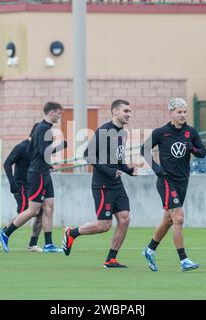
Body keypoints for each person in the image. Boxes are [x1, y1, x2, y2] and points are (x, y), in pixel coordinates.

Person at [62, 99, 138, 268]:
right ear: (115, 112)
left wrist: (128, 170)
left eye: (130, 111)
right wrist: (111, 171)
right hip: (102, 184)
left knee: (124, 219)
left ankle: (111, 259)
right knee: (104, 225)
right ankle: (72, 233)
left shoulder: (123, 133)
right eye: (125, 111)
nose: (129, 114)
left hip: (117, 183)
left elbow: (118, 160)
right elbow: (88, 155)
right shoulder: (104, 131)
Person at [140, 97, 206, 272]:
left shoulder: (191, 132)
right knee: (179, 218)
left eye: (185, 112)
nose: (183, 115)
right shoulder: (161, 132)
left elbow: (203, 153)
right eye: (179, 112)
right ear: (171, 113)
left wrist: (191, 147)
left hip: (183, 181)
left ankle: (149, 249)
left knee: (168, 220)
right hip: (166, 180)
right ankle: (184, 260)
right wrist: (156, 168)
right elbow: (143, 150)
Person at [0, 102, 66, 253]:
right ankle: (5, 233)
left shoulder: (46, 129)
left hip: (44, 172)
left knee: (49, 207)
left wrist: (47, 165)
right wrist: (61, 146)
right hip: (38, 174)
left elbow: (34, 151)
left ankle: (48, 244)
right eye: (59, 113)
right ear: (52, 112)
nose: (60, 116)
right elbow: (43, 152)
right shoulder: (43, 129)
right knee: (33, 210)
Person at [3, 123, 45, 253]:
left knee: (40, 212)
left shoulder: (38, 149)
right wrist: (12, 183)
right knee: (26, 212)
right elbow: (7, 163)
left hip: (33, 184)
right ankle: (3, 234)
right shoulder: (22, 147)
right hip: (20, 185)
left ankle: (32, 244)